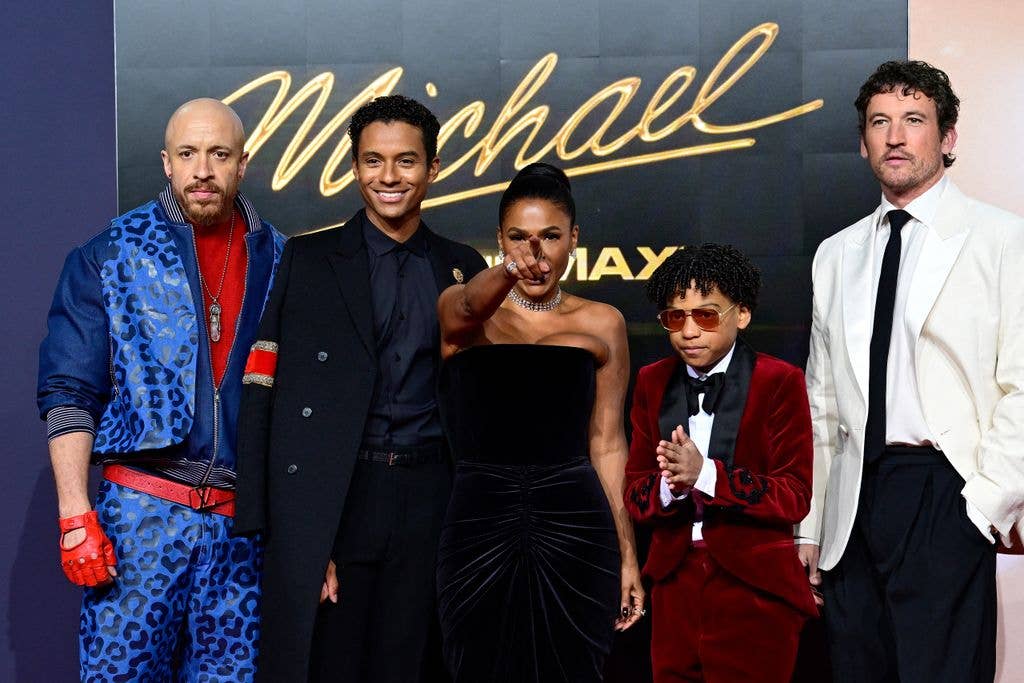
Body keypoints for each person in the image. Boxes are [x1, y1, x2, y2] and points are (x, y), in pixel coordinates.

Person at [233, 94, 487, 682]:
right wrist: (289, 533)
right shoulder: (308, 258)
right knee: (331, 661)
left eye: (406, 161)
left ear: (433, 168)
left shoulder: (461, 265)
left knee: (413, 662)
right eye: (373, 161)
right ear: (354, 168)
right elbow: (261, 388)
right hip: (340, 494)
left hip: (432, 494)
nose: (389, 177)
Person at [37, 98, 285, 681]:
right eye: (188, 153)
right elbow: (69, 392)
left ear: (242, 164)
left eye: (219, 154)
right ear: (166, 164)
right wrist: (75, 516)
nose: (203, 169)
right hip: (138, 522)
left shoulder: (281, 259)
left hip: (242, 528)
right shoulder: (109, 254)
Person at [796, 60, 1024, 682]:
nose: (895, 136)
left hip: (944, 494)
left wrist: (982, 507)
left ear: (947, 139)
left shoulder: (1002, 238)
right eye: (880, 122)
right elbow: (822, 404)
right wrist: (810, 525)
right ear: (863, 141)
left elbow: (1022, 388)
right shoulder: (835, 254)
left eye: (914, 120)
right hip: (852, 504)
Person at [434, 162, 645, 683]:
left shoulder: (603, 321)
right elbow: (463, 308)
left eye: (550, 236)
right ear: (500, 241)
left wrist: (626, 555)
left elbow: (608, 443)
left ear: (574, 238)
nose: (536, 252)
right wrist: (508, 272)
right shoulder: (464, 311)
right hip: (479, 519)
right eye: (519, 238)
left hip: (576, 521)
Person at [622, 244, 816, 682]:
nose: (689, 330)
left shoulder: (779, 381)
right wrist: (672, 485)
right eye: (676, 317)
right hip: (674, 588)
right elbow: (635, 493)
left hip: (755, 589)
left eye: (705, 315)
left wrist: (705, 475)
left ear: (741, 314)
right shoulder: (652, 381)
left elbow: (794, 496)